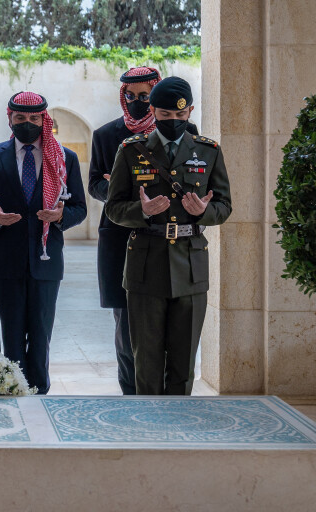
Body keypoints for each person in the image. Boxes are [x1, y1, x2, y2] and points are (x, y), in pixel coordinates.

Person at [105, 76, 232, 395]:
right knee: (145, 359)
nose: (173, 122)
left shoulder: (208, 151)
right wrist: (142, 211)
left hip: (190, 265)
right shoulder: (132, 151)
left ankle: (179, 428)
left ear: (189, 111)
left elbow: (225, 205)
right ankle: (148, 429)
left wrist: (203, 212)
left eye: (180, 116)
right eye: (165, 115)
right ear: (153, 112)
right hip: (146, 264)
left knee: (183, 360)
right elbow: (114, 208)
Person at [89, 67, 199, 395]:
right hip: (121, 238)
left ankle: (168, 400)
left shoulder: (187, 131)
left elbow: (196, 176)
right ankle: (131, 398)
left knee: (170, 327)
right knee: (127, 330)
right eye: (130, 96)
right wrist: (119, 189)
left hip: (168, 241)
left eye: (144, 96)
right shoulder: (106, 135)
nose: (137, 102)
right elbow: (96, 182)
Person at [0, 91, 87, 395]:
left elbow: (79, 207)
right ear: (9, 118)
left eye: (34, 118)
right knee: (11, 331)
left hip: (46, 258)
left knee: (41, 332)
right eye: (21, 118)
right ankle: (13, 385)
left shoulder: (64, 158)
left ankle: (40, 389)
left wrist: (60, 217)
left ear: (44, 120)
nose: (27, 123)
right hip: (6, 258)